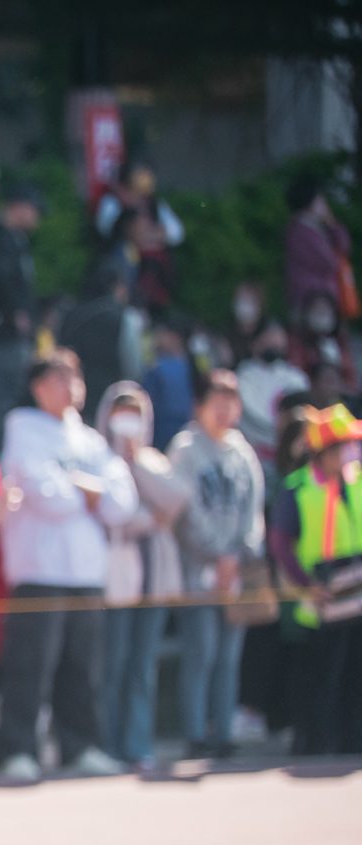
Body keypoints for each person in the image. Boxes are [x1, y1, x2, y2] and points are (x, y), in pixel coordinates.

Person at [0, 350, 138, 781]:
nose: (70, 386)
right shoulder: (22, 427)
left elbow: (122, 502)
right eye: (59, 378)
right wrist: (91, 495)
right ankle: (17, 750)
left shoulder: (91, 439)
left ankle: (81, 747)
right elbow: (47, 495)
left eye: (75, 377)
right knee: (30, 667)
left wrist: (84, 490)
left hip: (87, 572)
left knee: (83, 668)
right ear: (38, 387)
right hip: (38, 569)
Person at [169, 370, 264, 759]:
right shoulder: (186, 448)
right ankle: (195, 733)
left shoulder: (242, 451)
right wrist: (216, 553)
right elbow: (185, 510)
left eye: (231, 403)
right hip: (198, 571)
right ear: (200, 407)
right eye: (217, 403)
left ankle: (223, 732)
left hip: (236, 572)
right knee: (201, 653)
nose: (224, 411)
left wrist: (239, 554)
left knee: (228, 657)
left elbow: (254, 511)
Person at [93, 383, 186, 772]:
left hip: (154, 580)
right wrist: (148, 518)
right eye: (121, 413)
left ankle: (137, 744)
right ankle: (106, 744)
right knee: (112, 664)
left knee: (142, 667)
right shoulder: (96, 459)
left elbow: (177, 500)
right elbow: (113, 515)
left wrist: (136, 462)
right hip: (114, 582)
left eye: (134, 414)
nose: (127, 422)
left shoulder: (153, 460)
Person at [269, 405, 362, 755]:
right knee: (322, 675)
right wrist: (306, 584)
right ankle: (318, 743)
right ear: (323, 452)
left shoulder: (357, 481)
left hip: (358, 591)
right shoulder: (298, 488)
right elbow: (281, 544)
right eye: (343, 446)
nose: (350, 452)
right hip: (323, 595)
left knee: (355, 675)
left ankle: (353, 741)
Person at [0, 181, 41, 440]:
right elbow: (0, 280)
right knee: (3, 395)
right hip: (1, 332)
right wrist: (15, 312)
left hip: (13, 334)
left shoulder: (17, 240)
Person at [96, 162, 184, 312]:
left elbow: (177, 233)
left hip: (152, 265)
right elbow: (106, 228)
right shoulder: (114, 201)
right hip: (124, 255)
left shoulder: (154, 204)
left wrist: (152, 234)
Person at [60, 259, 140, 425]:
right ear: (117, 286)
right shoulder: (125, 317)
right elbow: (133, 366)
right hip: (112, 402)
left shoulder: (71, 315)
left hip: (74, 398)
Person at [284, 174, 353, 336]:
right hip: (309, 300)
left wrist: (333, 223)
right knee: (311, 342)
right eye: (319, 199)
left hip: (326, 300)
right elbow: (329, 262)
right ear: (309, 202)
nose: (324, 204)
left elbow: (344, 247)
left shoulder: (318, 227)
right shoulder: (298, 232)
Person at [236, 321, 311, 459]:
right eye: (269, 337)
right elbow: (252, 415)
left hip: (291, 450)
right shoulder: (243, 377)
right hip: (255, 449)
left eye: (278, 337)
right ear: (255, 343)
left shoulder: (296, 376)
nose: (274, 342)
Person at [141, 316, 196, 448]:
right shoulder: (193, 366)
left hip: (161, 430)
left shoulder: (157, 368)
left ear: (173, 337)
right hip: (188, 430)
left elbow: (145, 402)